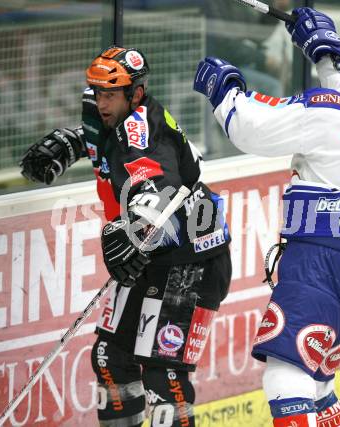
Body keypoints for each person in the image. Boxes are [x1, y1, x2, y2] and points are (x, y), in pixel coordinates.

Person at [193, 7, 340, 427]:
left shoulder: (330, 115)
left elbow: (249, 129)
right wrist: (323, 47)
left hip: (319, 263)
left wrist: (225, 90)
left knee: (286, 373)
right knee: (316, 382)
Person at [20, 46, 232, 427]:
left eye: (111, 94)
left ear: (136, 92)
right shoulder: (104, 113)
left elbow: (156, 188)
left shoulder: (141, 132)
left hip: (190, 260)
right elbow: (107, 143)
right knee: (110, 358)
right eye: (98, 92)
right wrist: (74, 142)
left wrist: (135, 228)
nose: (102, 102)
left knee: (162, 373)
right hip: (152, 254)